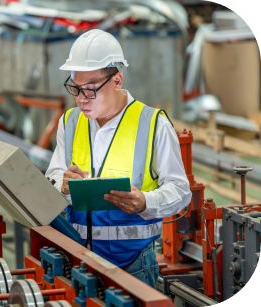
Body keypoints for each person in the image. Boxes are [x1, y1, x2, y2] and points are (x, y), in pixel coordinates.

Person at [45, 29, 192, 288]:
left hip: (132, 265)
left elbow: (181, 191)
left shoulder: (153, 124)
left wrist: (146, 201)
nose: (81, 99)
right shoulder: (69, 123)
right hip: (76, 258)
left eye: (90, 90)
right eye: (75, 88)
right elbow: (53, 177)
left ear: (117, 81)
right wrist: (62, 184)